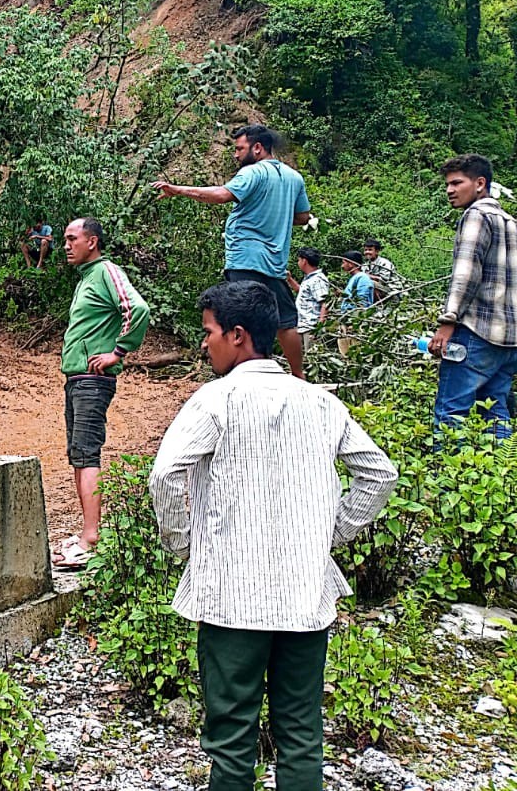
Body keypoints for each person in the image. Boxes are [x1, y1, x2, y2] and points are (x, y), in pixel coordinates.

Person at [149, 280, 396, 791]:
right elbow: (378, 474)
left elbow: (165, 475)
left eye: (210, 332)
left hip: (231, 598)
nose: (204, 343)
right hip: (305, 595)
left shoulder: (215, 400)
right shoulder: (320, 403)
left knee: (232, 738)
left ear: (238, 336)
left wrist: (184, 544)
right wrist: (334, 532)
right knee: (302, 733)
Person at [152, 124, 313, 379]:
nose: (236, 155)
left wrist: (178, 190)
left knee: (241, 317)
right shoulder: (294, 178)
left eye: (240, 148)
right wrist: (277, 214)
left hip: (245, 259)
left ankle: (244, 374)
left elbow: (221, 194)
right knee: (285, 321)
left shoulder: (254, 172)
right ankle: (298, 376)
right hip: (275, 263)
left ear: (257, 148)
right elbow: (303, 217)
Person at [55, 217, 150, 569]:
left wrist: (118, 352)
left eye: (72, 239)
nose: (66, 245)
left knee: (88, 454)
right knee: (79, 455)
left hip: (94, 381)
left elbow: (137, 309)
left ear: (91, 241)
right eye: (65, 239)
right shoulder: (86, 278)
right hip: (77, 378)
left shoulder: (107, 271)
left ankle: (91, 538)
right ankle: (86, 534)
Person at [428, 154, 517, 437]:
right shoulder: (511, 222)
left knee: (450, 412)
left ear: (480, 184)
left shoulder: (476, 215)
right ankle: (502, 478)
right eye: (447, 185)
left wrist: (448, 321)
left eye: (457, 183)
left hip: (477, 333)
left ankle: (444, 480)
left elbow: (466, 273)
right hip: (508, 340)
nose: (449, 190)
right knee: (495, 410)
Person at [288, 247, 329, 352]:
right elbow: (302, 292)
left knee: (313, 360)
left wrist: (319, 327)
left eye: (299, 260)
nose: (298, 262)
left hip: (311, 327)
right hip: (303, 326)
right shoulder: (309, 279)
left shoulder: (317, 279)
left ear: (304, 261)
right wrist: (289, 279)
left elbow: (325, 303)